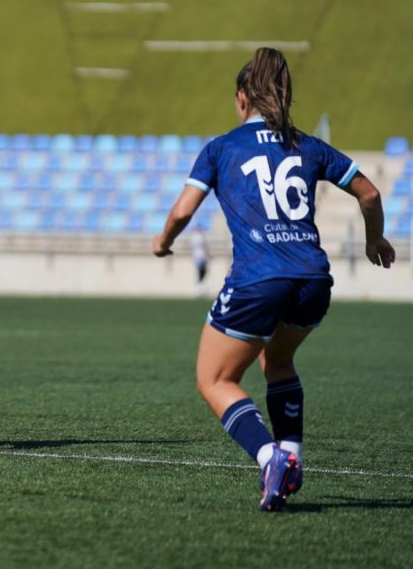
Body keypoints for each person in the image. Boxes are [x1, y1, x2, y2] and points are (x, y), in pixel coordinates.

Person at [152, 47, 395, 511]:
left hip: (259, 280)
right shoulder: (309, 145)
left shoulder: (222, 147)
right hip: (312, 280)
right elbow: (369, 193)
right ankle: (292, 459)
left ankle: (269, 457)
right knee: (277, 364)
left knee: (214, 378)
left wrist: (163, 242)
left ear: (242, 98)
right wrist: (374, 240)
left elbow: (184, 210)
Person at [189, 226, 210, 295]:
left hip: (195, 256)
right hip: (201, 255)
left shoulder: (193, 236)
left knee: (199, 271)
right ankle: (200, 285)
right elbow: (204, 246)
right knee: (202, 271)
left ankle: (199, 285)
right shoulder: (200, 236)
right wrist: (208, 254)